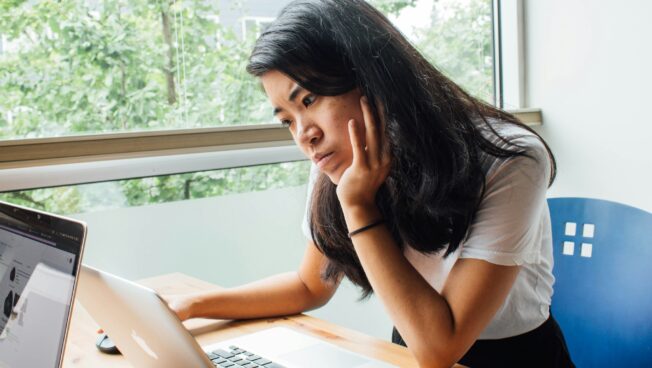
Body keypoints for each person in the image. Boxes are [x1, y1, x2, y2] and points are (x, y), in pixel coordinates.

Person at [167, 1, 575, 366]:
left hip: (509, 357)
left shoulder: (510, 158)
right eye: (287, 120)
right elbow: (311, 284)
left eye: (308, 100)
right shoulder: (341, 152)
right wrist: (192, 305)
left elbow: (440, 347)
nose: (304, 134)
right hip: (407, 344)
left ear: (372, 80)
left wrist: (359, 206)